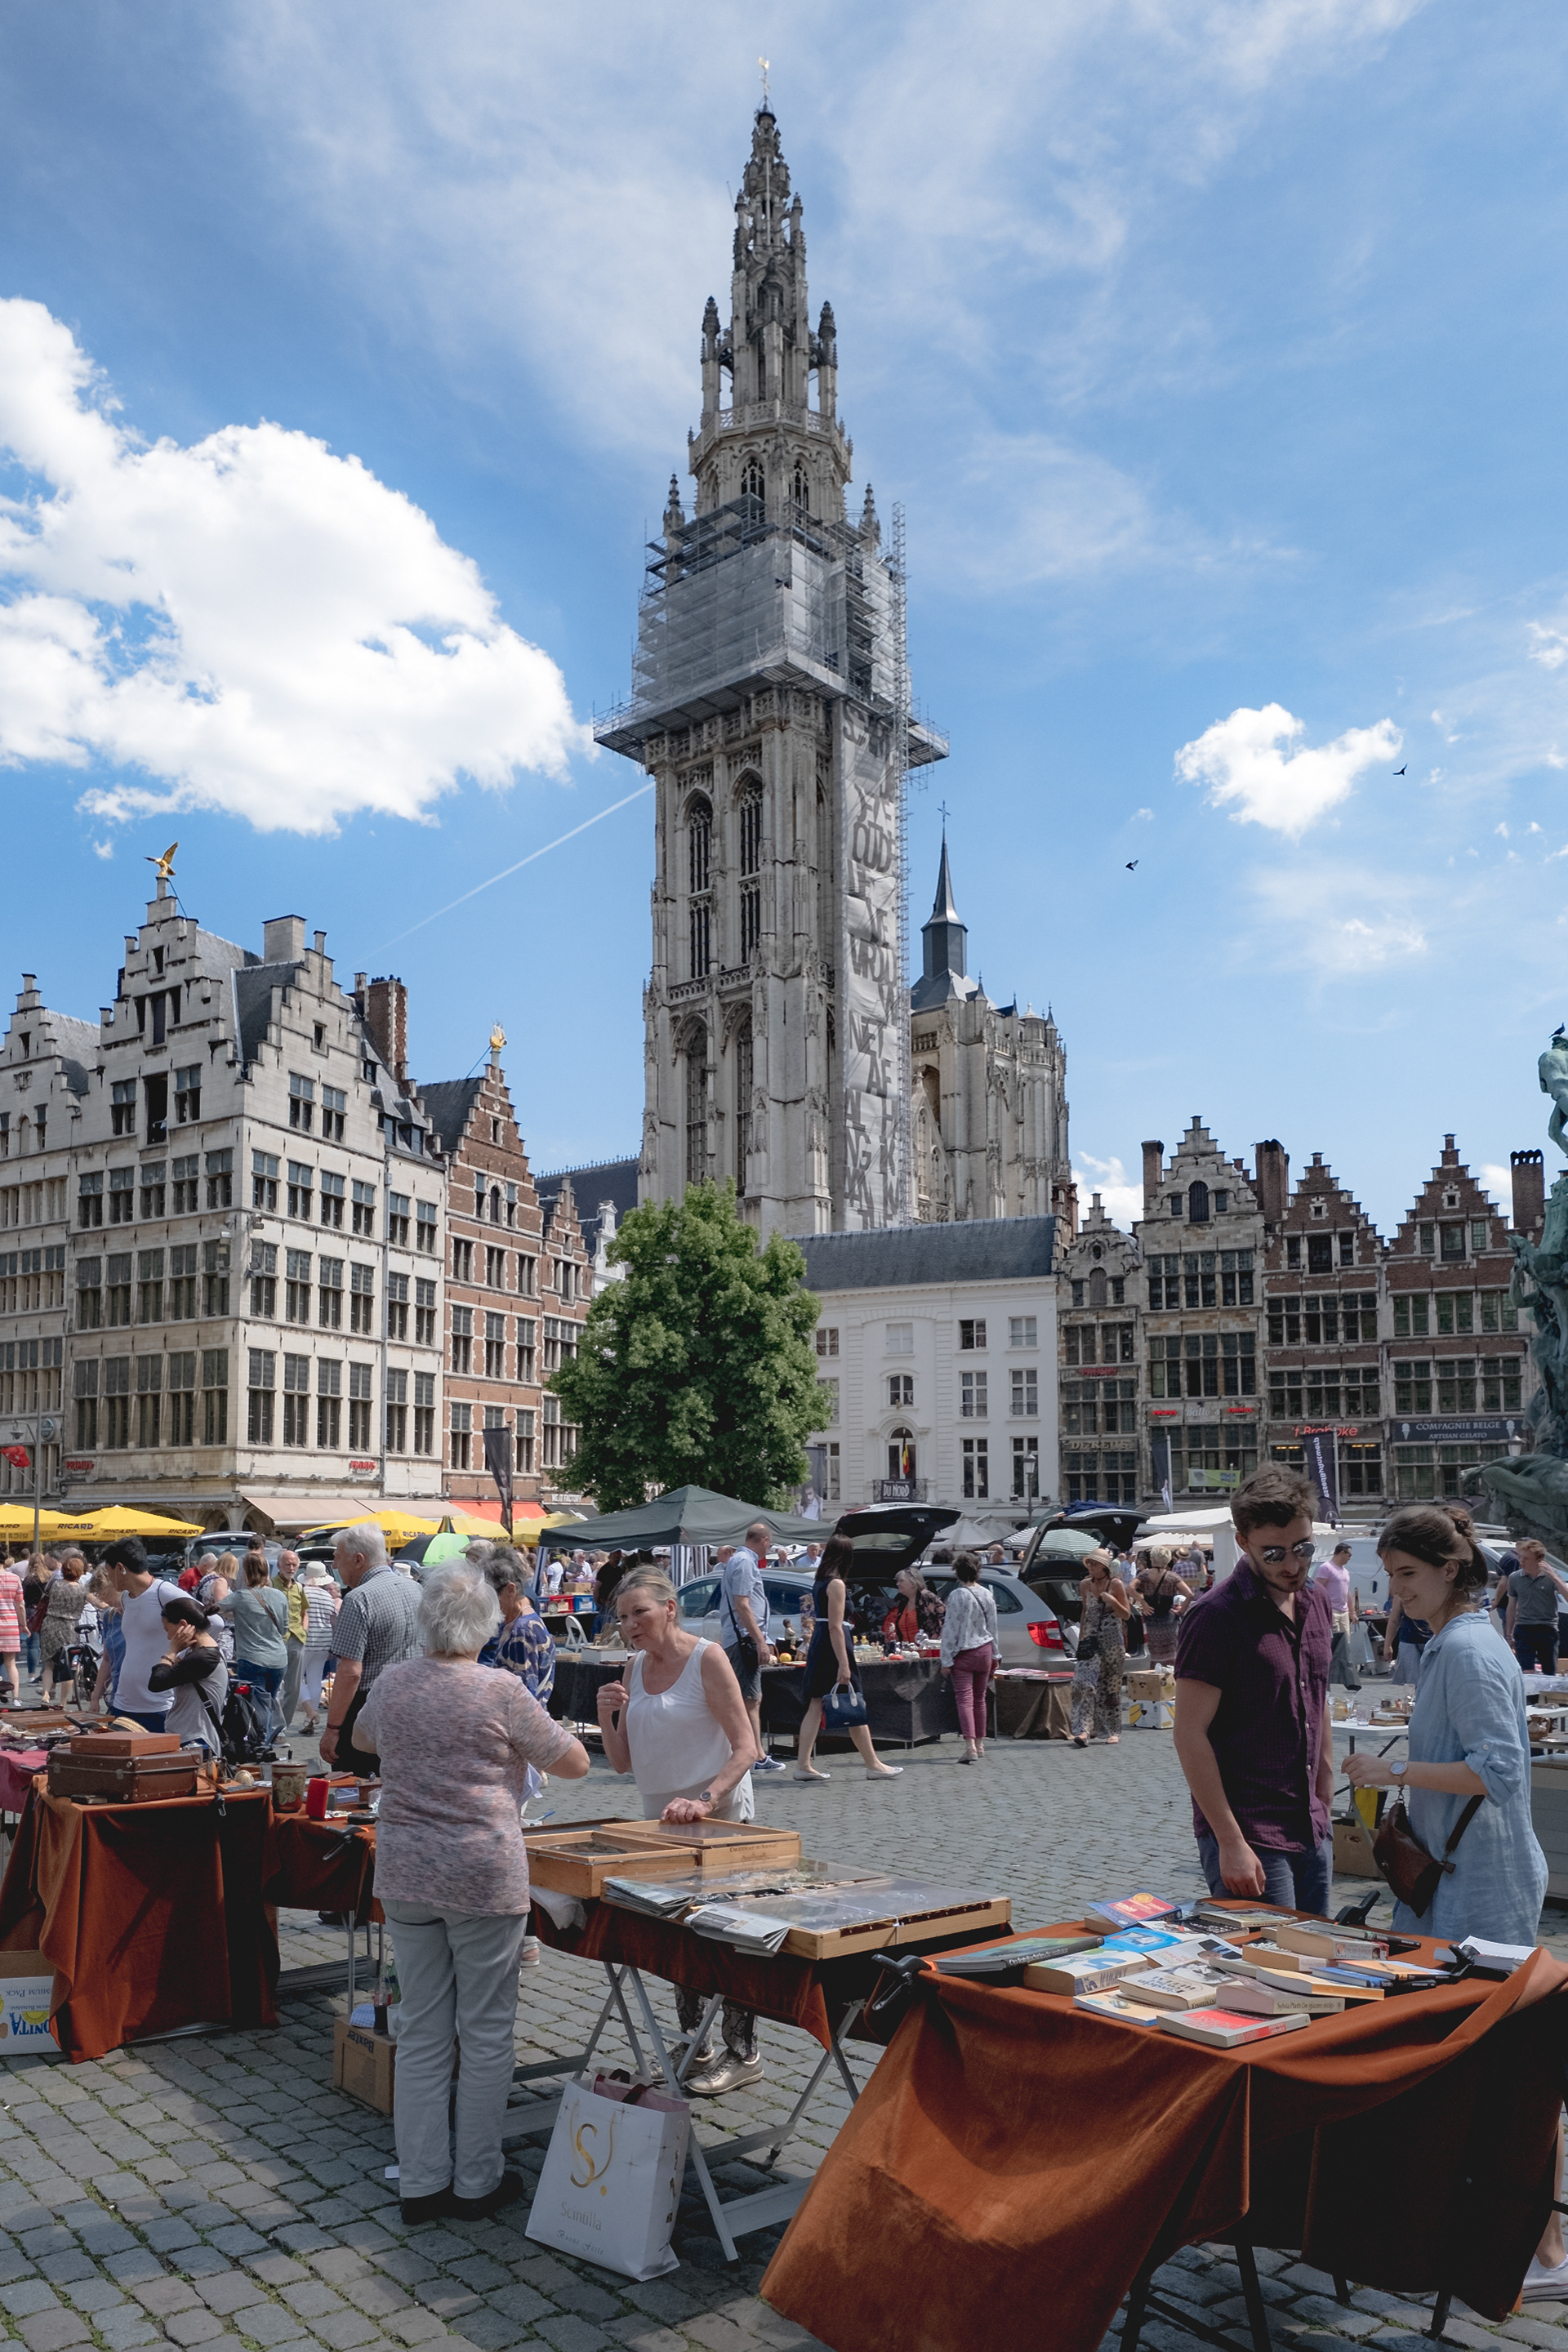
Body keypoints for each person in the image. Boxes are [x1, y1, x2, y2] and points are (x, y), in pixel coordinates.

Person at [1343, 1505, 1561, 2299]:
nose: (1396, 1592)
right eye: (1391, 1575)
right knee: (1487, 2061)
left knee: (1514, 2065)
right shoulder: (1451, 1645)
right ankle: (1518, 2236)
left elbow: (1502, 1772)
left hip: (1485, 1882)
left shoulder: (1467, 1648)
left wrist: (1393, 1775)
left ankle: (1545, 2249)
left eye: (1407, 1575)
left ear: (1448, 1570)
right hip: (1458, 1877)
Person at [356, 1562, 589, 2222]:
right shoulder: (501, 1689)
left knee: (424, 2029)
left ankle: (423, 2182)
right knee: (485, 2032)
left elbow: (364, 1736)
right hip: (480, 1871)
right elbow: (571, 1762)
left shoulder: (396, 1682)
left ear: (427, 1620)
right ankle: (476, 2180)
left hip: (406, 1870)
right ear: (486, 1625)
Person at [595, 1566, 765, 2092]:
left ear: (670, 1608)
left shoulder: (707, 1658)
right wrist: (606, 1718)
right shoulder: (633, 1668)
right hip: (661, 1826)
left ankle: (744, 2051)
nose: (630, 1625)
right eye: (623, 1617)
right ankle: (698, 2041)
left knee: (726, 1936)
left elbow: (746, 1747)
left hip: (719, 1820)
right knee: (677, 1934)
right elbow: (623, 1763)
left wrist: (705, 1800)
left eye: (639, 1612)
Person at [1173, 1465, 1335, 1913]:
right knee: (1263, 1973)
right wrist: (1229, 1840)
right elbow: (1189, 1734)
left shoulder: (1316, 1601)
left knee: (1315, 1969)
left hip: (1310, 1823)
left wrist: (1325, 1785)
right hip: (1249, 1830)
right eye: (1275, 1554)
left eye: (1303, 1548)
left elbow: (1316, 1700)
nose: (1293, 1564)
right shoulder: (1215, 1617)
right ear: (1243, 1543)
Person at [793, 1536, 903, 1784]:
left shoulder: (821, 1581)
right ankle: (873, 1764)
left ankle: (803, 1764)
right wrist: (843, 1664)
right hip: (834, 1644)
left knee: (816, 1702)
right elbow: (835, 1626)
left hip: (822, 1643)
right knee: (853, 1701)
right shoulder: (836, 1584)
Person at [319, 1524, 421, 1774]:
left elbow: (350, 1672)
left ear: (358, 1560)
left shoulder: (359, 1599)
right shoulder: (416, 1589)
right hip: (413, 1701)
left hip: (368, 1706)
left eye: (338, 1558)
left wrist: (333, 1728)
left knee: (357, 1791)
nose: (335, 1566)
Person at [102, 1539, 187, 1731]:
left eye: (109, 1572)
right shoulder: (125, 1598)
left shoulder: (164, 1592)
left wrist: (179, 1654)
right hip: (124, 1701)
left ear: (121, 1568)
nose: (108, 1578)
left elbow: (213, 1622)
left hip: (158, 1704)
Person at [719, 1521, 782, 1774]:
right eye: (770, 1543)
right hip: (743, 1639)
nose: (770, 1548)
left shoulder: (740, 1560)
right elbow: (742, 1604)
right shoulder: (744, 1562)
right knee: (750, 1699)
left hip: (740, 1637)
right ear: (764, 1540)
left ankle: (754, 1753)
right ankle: (754, 1755)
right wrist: (759, 1640)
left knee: (750, 1698)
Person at [216, 1554, 290, 1742]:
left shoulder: (241, 1597)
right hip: (279, 1659)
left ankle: (260, 1744)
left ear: (246, 1572)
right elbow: (284, 1628)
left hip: (252, 1658)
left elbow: (215, 1608)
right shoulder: (280, 1595)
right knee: (269, 1702)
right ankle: (267, 1742)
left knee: (257, 1705)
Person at [146, 1593, 229, 1755]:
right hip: (191, 1737)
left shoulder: (203, 1657)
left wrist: (171, 1652)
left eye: (168, 1629)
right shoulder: (200, 1653)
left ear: (183, 1625)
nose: (169, 1636)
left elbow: (156, 1683)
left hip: (196, 1740)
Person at [473, 1544, 556, 1704]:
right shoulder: (528, 1621)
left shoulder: (521, 1631)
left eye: (490, 1595)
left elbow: (523, 1698)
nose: (486, 1603)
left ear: (511, 1590)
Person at [940, 1552, 999, 1763]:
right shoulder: (987, 1594)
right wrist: (996, 1653)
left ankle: (970, 1745)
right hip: (984, 1650)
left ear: (957, 1571)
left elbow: (950, 1630)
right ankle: (981, 1743)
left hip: (963, 1653)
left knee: (964, 1700)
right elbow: (993, 1627)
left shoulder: (956, 1596)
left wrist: (945, 1660)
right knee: (980, 1699)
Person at [1070, 1548, 1131, 1748]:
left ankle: (1112, 1730)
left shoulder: (1116, 1584)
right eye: (1089, 1563)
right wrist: (1081, 1638)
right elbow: (1085, 1611)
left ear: (1105, 1566)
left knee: (1110, 1686)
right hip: (1090, 1640)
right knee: (1083, 1684)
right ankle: (1084, 1730)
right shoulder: (1085, 1584)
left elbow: (1126, 1615)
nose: (1091, 1567)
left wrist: (1113, 1601)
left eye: (1094, 1564)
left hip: (1113, 1641)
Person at [1504, 1538, 1568, 1674]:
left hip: (1547, 1628)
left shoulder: (1551, 1576)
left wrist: (1553, 1576)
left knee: (1549, 1672)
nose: (1521, 1562)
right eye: (1520, 1557)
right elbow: (1511, 1606)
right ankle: (1530, 1696)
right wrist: (1509, 1635)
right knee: (1526, 1671)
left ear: (1539, 1561)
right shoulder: (1515, 1578)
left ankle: (1544, 1695)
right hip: (1524, 1628)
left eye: (1526, 1559)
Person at [39, 1553, 90, 1693]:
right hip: (71, 1627)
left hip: (51, 1624)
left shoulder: (56, 1584)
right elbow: (97, 1603)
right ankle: (63, 1703)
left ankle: (46, 1695)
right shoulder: (82, 1589)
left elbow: (45, 1597)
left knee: (49, 1664)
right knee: (69, 1666)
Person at [299, 1567, 340, 1735]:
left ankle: (310, 1712)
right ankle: (310, 1719)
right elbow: (333, 1621)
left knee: (295, 1679)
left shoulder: (301, 1592)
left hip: (304, 1640)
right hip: (324, 1641)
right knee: (315, 1680)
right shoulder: (327, 1596)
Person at [1136, 1545, 1192, 1668]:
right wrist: (1181, 1611)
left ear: (1152, 1558)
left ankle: (1155, 1673)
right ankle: (1170, 1677)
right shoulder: (1172, 1577)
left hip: (1151, 1616)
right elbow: (1190, 1594)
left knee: (1154, 1650)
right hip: (1168, 1617)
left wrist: (1143, 1603)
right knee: (1171, 1649)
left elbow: (1129, 1588)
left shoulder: (1144, 1575)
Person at [274, 1552, 306, 1733]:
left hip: (297, 1639)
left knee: (294, 1687)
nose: (291, 1568)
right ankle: (276, 1727)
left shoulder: (300, 1587)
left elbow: (304, 1612)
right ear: (279, 1566)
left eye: (294, 1565)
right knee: (276, 1687)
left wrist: (305, 1630)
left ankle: (283, 1726)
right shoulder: (271, 1585)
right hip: (277, 1639)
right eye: (287, 1564)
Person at [87, 1570, 125, 1714]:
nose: (99, 1597)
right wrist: (95, 1698)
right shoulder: (110, 1615)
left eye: (101, 1591)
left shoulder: (141, 1611)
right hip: (119, 1696)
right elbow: (107, 1660)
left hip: (150, 1699)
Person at [881, 1566, 944, 1647]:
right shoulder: (903, 1603)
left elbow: (945, 1617)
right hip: (909, 1652)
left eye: (901, 1581)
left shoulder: (926, 1596)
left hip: (928, 1650)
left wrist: (937, 1641)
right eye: (897, 1581)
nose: (897, 1584)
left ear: (913, 1582)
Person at [0, 1551, 24, 1706]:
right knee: (11, 1662)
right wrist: (24, 1624)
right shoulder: (14, 1579)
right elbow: (20, 1605)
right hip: (10, 1623)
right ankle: (16, 1699)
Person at [19, 1554, 46, 1685]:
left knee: (32, 1645)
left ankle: (31, 1674)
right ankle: (45, 1673)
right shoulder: (49, 1578)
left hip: (31, 1611)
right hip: (45, 1612)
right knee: (45, 1645)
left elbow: (23, 1597)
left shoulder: (29, 1580)